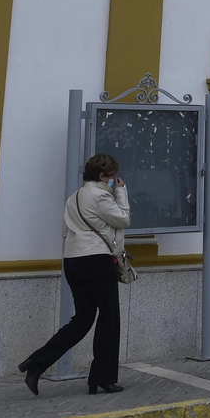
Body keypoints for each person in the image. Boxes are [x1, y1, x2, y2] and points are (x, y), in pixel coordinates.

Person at [19, 153, 130, 395]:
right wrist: (121, 193)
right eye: (111, 176)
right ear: (102, 176)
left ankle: (37, 363)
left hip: (73, 261)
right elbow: (124, 219)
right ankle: (102, 377)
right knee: (110, 318)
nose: (114, 180)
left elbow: (67, 230)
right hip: (96, 261)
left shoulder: (74, 198)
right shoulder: (101, 195)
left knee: (82, 319)